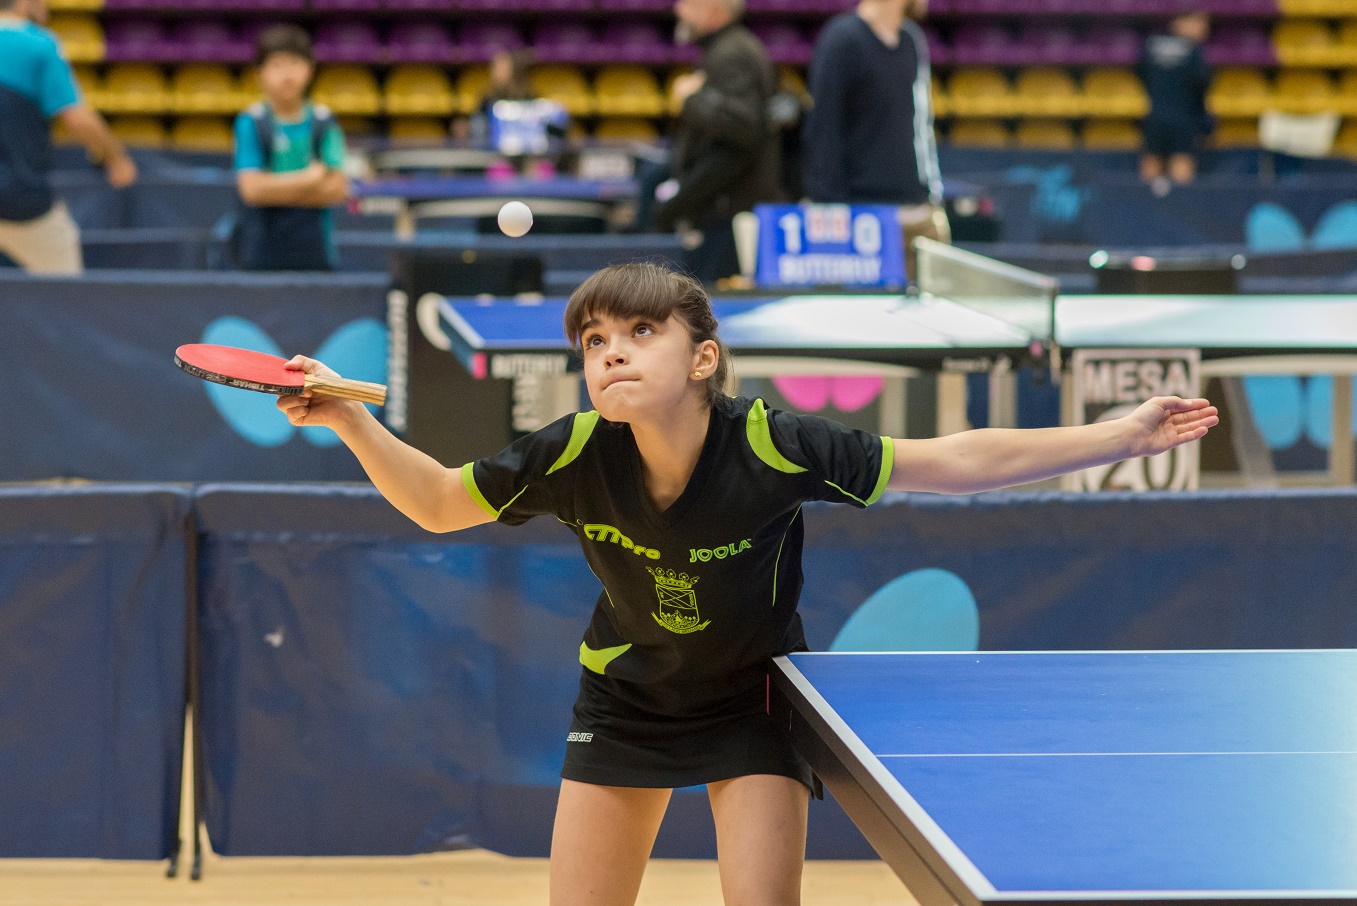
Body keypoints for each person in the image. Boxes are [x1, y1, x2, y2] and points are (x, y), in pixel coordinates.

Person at [274, 261, 1218, 906]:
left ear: (703, 358)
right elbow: (440, 502)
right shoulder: (572, 452)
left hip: (751, 701)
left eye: (640, 331)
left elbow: (953, 462)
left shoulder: (771, 443)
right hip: (626, 701)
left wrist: (1118, 436)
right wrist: (350, 421)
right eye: (594, 340)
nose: (610, 351)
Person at [803, 0, 945, 282]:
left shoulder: (912, 39)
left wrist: (932, 195)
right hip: (861, 216)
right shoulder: (842, 39)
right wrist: (832, 207)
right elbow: (823, 129)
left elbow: (921, 123)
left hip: (915, 211)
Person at [0, 0, 136, 274]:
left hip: (18, 197)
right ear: (24, 3)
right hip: (21, 201)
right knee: (66, 287)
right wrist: (117, 158)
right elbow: (77, 119)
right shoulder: (38, 44)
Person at [653, 0, 782, 285]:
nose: (680, 10)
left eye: (689, 4)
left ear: (714, 10)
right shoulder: (727, 49)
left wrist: (693, 99)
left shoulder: (731, 54)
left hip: (726, 215)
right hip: (722, 210)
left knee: (709, 303)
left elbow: (743, 130)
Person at [232, 24, 348, 272]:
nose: (287, 75)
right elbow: (251, 190)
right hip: (261, 253)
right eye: (277, 65)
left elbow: (337, 189)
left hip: (315, 252)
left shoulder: (325, 122)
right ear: (260, 73)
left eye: (295, 63)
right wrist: (309, 179)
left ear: (310, 69)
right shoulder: (250, 122)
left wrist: (271, 189)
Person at [1138, 11, 1212, 188]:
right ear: (1179, 22)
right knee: (1181, 173)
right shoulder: (1193, 50)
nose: (1203, 28)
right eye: (1198, 22)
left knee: (1150, 171)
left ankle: (1144, 205)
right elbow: (1202, 84)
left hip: (1155, 117)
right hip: (1183, 119)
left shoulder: (1152, 44)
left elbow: (1141, 73)